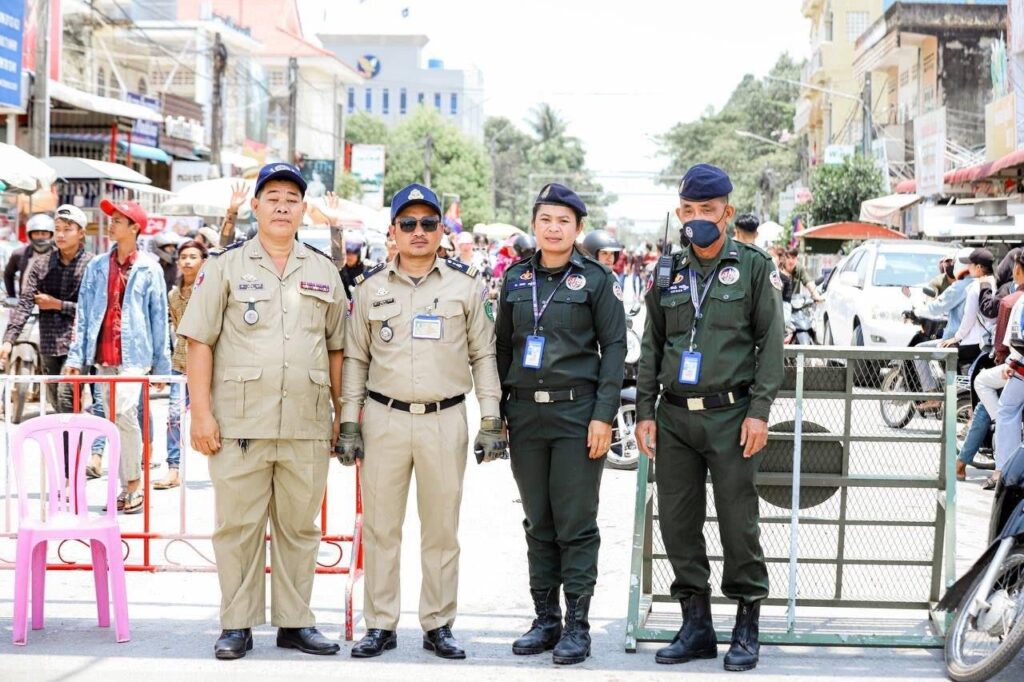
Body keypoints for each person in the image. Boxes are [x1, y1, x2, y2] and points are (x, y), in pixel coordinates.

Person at [177, 163, 346, 660]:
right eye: (272, 198)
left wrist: (343, 415)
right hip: (239, 423)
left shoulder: (323, 270)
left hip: (306, 423)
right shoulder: (225, 266)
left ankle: (295, 622)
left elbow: (337, 348)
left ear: (304, 210)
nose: (282, 207)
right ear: (254, 207)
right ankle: (237, 623)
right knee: (238, 527)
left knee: (300, 528)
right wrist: (201, 414)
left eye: (292, 199)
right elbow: (198, 341)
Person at [337, 183, 503, 661]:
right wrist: (348, 423)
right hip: (383, 419)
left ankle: (438, 624)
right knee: (381, 528)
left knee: (441, 530)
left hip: (444, 419)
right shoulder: (370, 288)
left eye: (428, 223)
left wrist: (491, 418)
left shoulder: (466, 286)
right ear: (392, 231)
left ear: (442, 231)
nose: (418, 231)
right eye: (408, 223)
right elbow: (356, 360)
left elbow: (483, 355)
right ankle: (380, 624)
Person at [634, 164, 784, 672]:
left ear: (727, 212)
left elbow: (771, 345)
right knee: (677, 523)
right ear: (679, 213)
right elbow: (652, 343)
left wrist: (760, 412)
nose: (697, 217)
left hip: (732, 416)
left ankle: (746, 623)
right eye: (688, 210)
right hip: (674, 418)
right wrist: (644, 410)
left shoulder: (754, 267)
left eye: (708, 209)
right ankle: (695, 624)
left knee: (739, 524)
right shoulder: (667, 271)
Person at [495, 183, 626, 665]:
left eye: (563, 221)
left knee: (575, 522)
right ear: (534, 224)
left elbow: (615, 348)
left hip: (577, 414)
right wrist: (499, 413)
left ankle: (577, 625)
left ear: (578, 228)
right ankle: (545, 618)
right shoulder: (515, 278)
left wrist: (603, 416)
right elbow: (502, 348)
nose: (553, 229)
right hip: (525, 414)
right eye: (545, 220)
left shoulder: (596, 279)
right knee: (538, 520)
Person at [65, 200, 171, 515]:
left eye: (118, 220)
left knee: (124, 415)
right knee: (112, 419)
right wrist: (76, 357)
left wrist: (161, 367)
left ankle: (134, 485)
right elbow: (84, 314)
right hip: (103, 357)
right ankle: (126, 487)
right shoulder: (98, 266)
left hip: (134, 357)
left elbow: (159, 318)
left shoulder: (150, 268)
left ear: (135, 227)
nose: (111, 224)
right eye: (111, 219)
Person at [0, 205, 93, 413]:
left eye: (67, 229)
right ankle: (70, 435)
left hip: (78, 344)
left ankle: (72, 435)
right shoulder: (41, 264)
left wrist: (57, 304)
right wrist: (8, 340)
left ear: (81, 233)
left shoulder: (92, 265)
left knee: (66, 398)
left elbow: (94, 311)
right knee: (55, 402)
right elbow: (25, 302)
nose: (60, 234)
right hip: (49, 342)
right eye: (57, 229)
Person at [154, 239, 208, 491]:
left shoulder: (211, 292)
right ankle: (173, 468)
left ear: (203, 262)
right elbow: (176, 329)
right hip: (181, 364)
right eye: (183, 257)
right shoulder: (173, 295)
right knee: (174, 416)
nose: (187, 261)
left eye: (193, 257)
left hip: (210, 366)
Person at [939, 249, 996, 371]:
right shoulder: (997, 283)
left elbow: (968, 318)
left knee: (942, 351)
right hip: (991, 341)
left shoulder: (975, 287)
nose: (968, 267)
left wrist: (956, 337)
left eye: (970, 264)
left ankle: (952, 383)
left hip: (974, 342)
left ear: (978, 267)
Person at [3, 213, 57, 298]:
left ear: (51, 235)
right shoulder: (19, 254)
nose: (40, 237)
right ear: (30, 235)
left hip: (51, 303)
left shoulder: (59, 254)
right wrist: (12, 296)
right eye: (36, 233)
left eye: (44, 233)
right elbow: (8, 274)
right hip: (25, 303)